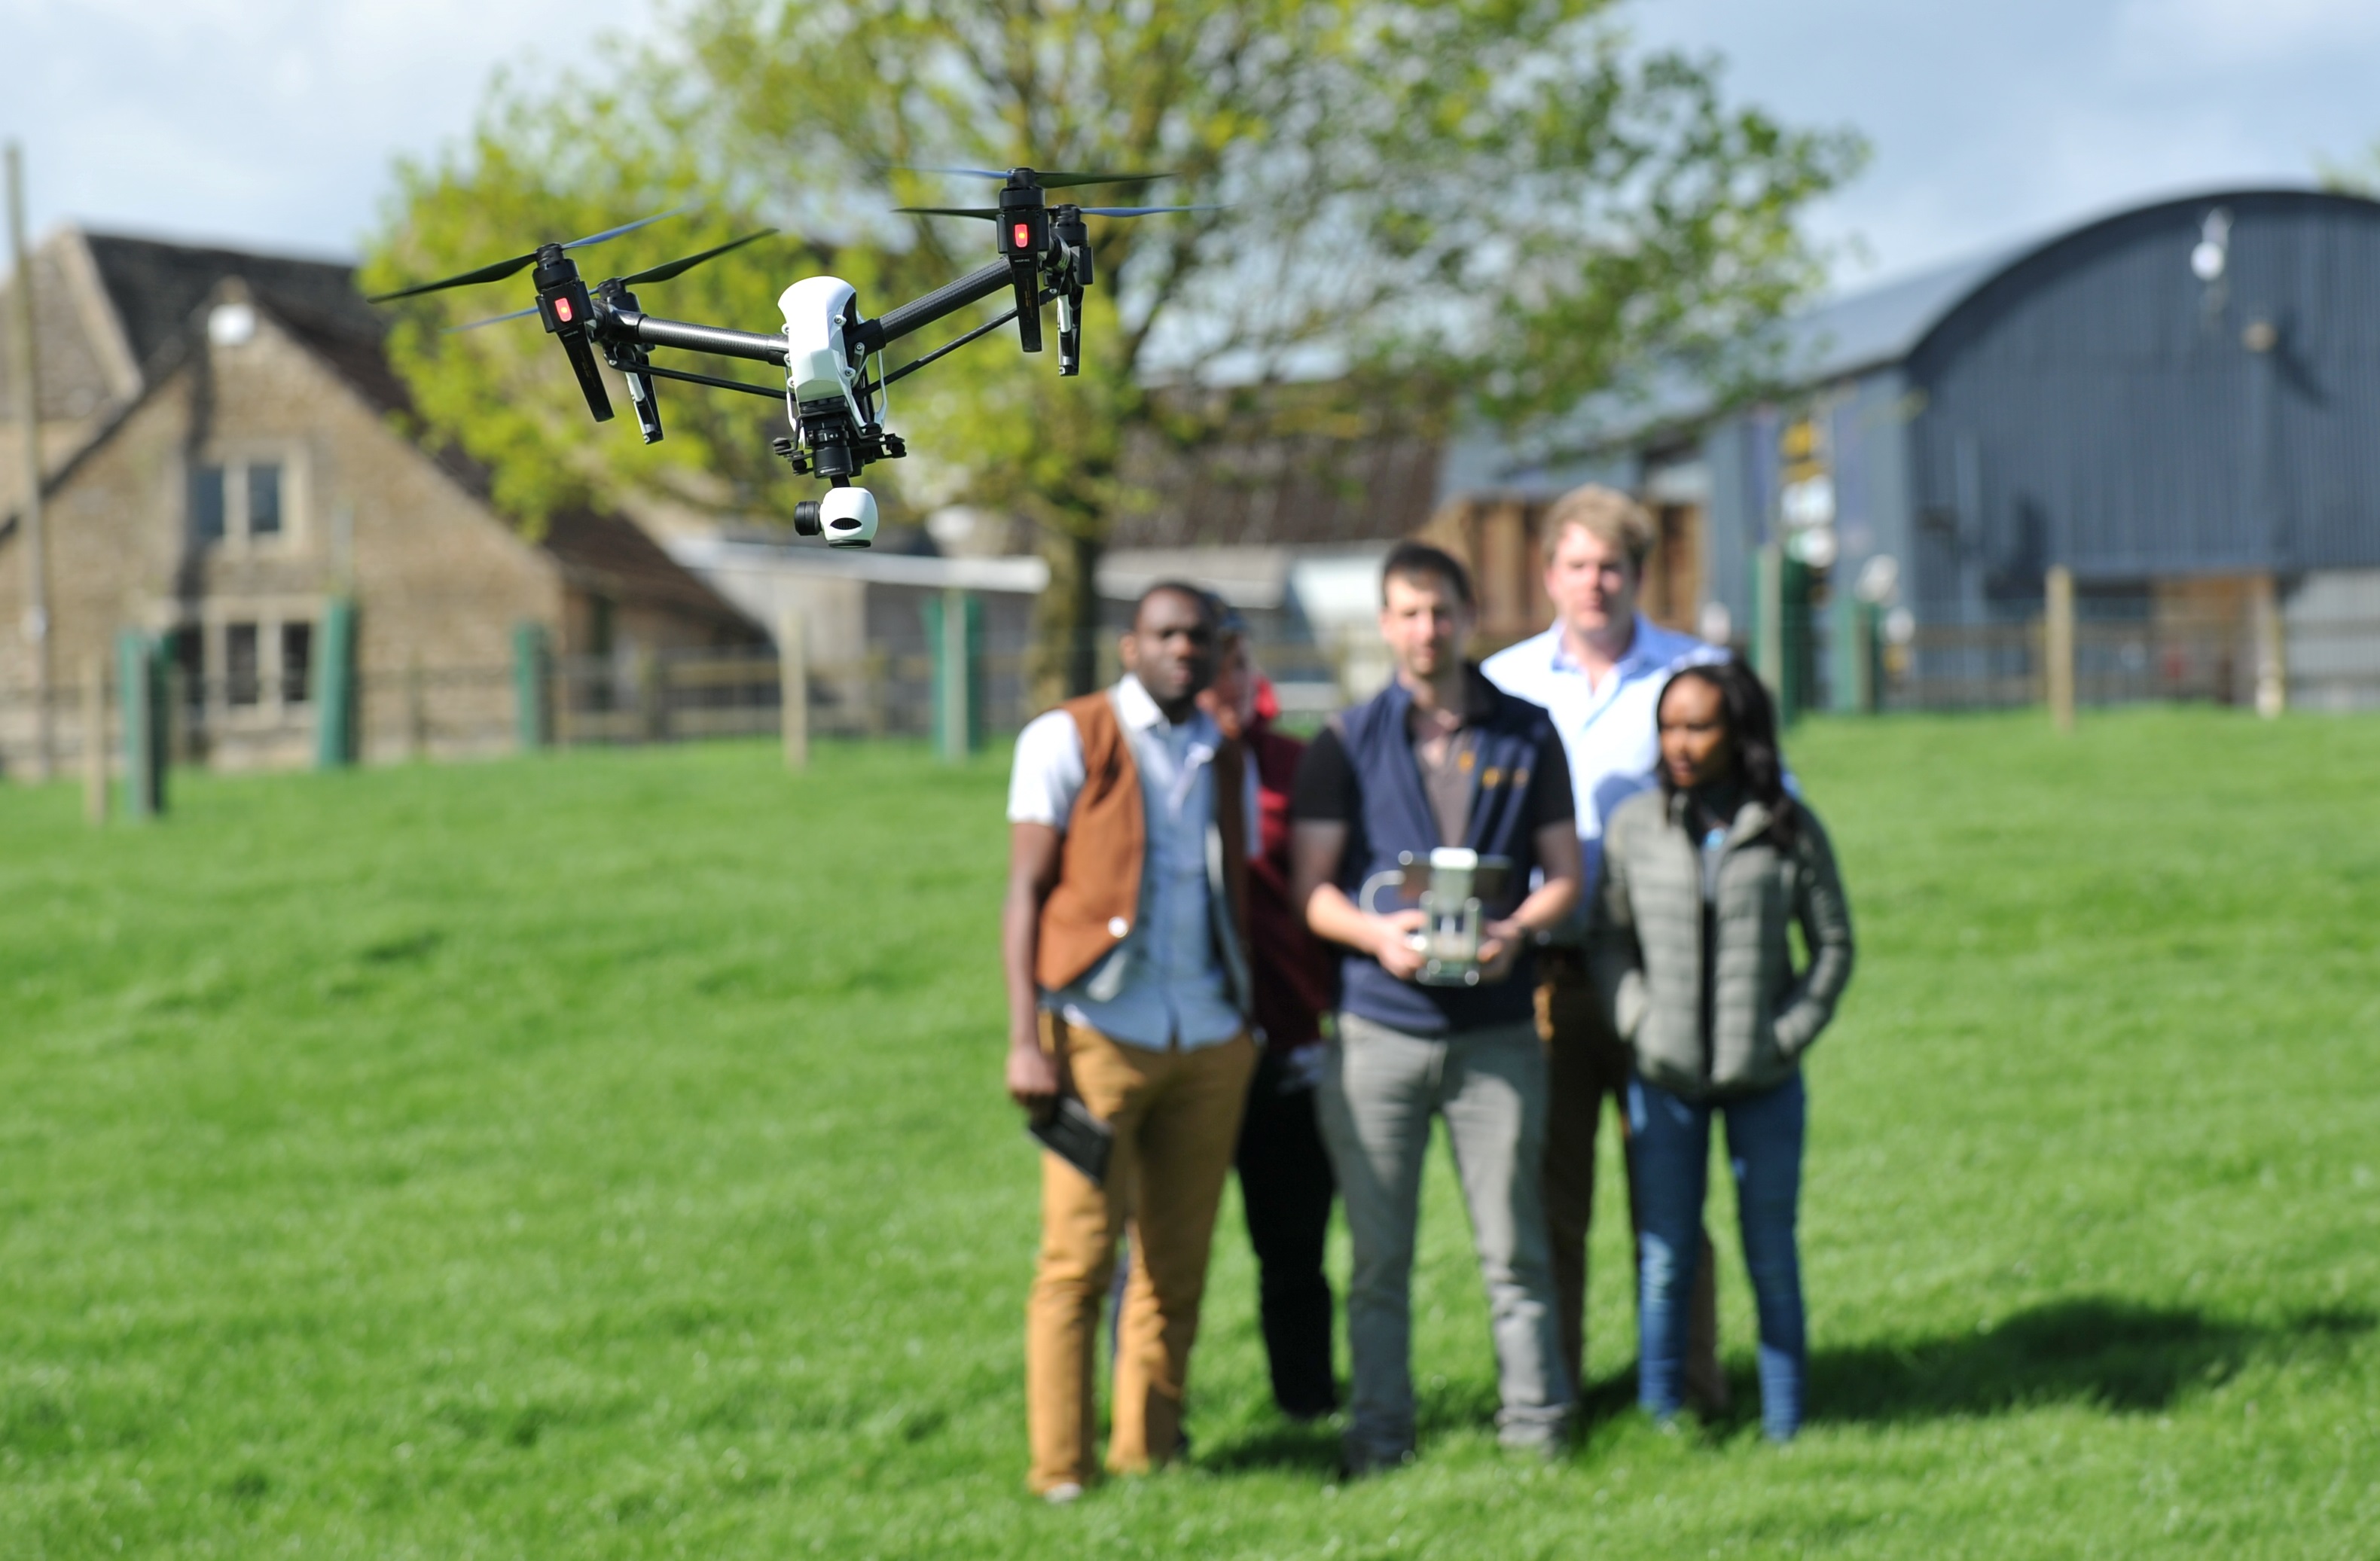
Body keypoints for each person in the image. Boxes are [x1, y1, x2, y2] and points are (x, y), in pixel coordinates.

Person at [1289, 541, 1582, 1473]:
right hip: (1378, 1032)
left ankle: (1538, 1433)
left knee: (1515, 1251)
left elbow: (1564, 874)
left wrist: (1516, 933)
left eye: (1441, 612)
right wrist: (1379, 938)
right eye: (1408, 614)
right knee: (1378, 1261)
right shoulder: (1344, 740)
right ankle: (1379, 1436)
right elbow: (1313, 892)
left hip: (1496, 1034)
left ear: (1468, 615)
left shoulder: (1528, 732)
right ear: (1385, 626)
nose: (1426, 631)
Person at [1002, 583, 1261, 1501]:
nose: (1183, 650)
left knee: (1175, 1267)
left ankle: (1147, 1455)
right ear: (1129, 646)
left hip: (1209, 1035)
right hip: (1096, 1031)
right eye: (1166, 634)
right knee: (1077, 1261)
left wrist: (1247, 1022)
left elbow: (1234, 895)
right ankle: (1059, 1470)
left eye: (1200, 637)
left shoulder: (1225, 755)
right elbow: (1023, 896)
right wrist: (1026, 1039)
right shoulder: (1065, 738)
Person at [1478, 484, 1729, 1410]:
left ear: (1639, 573)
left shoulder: (1694, 674)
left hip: (1662, 968)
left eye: (1611, 566)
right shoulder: (1504, 683)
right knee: (1551, 1199)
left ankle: (1686, 1393)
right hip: (1540, 971)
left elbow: (1757, 803)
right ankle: (1559, 1390)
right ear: (1548, 573)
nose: (1594, 583)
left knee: (1668, 1194)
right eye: (1577, 565)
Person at [1590, 657, 1854, 1441]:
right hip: (1663, 1078)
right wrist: (1637, 1022)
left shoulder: (1788, 827)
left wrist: (1784, 1034)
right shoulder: (1637, 827)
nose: (1679, 743)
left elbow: (1833, 946)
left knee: (1770, 1251)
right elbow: (1607, 941)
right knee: (1666, 1256)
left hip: (1763, 1079)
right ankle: (1662, 1421)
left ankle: (1785, 1424)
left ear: (1739, 734)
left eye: (1698, 727)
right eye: (1668, 727)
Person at [1200, 614, 1341, 1420]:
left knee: (1293, 1249)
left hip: (1287, 1040)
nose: (1226, 683)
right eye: (1212, 668)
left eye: (1237, 664)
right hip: (1183, 1040)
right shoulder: (1154, 763)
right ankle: (1148, 1420)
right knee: (1155, 1251)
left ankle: (1309, 1408)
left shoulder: (1297, 762)